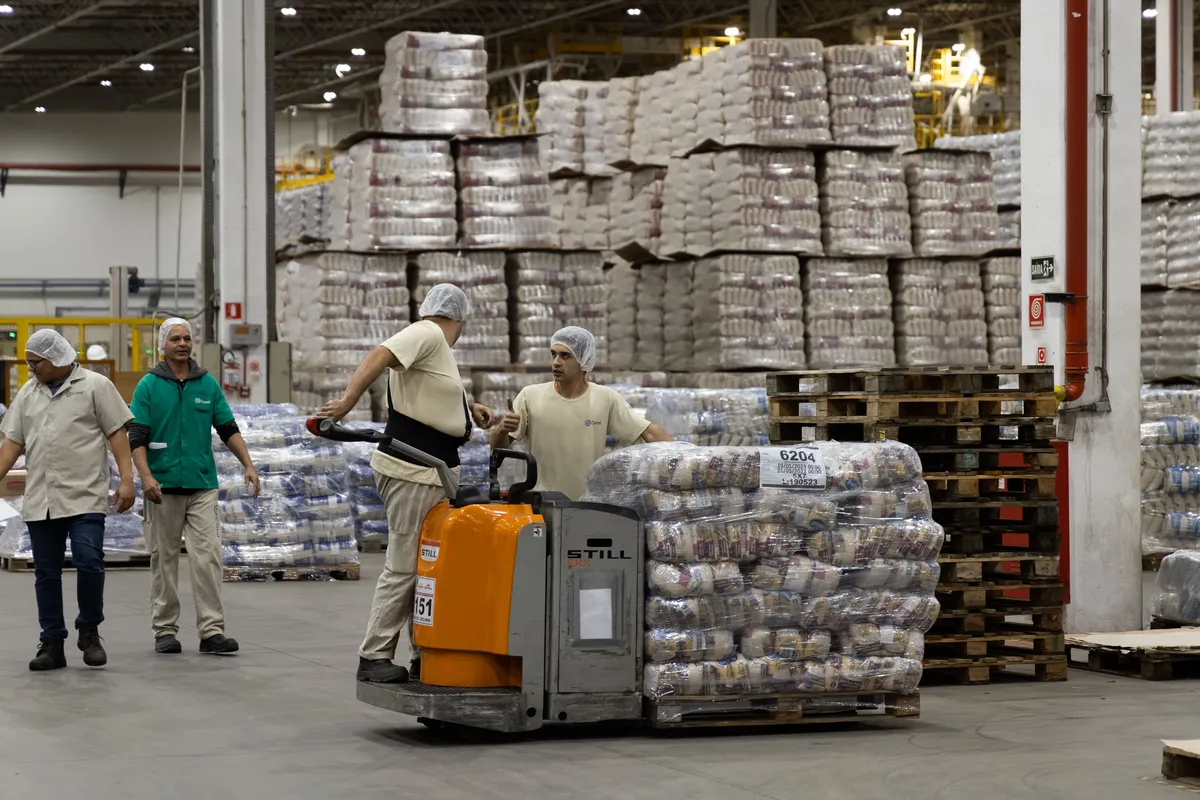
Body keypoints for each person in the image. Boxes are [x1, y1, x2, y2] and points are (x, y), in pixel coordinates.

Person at [317, 284, 495, 684]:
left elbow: (431, 393)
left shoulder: (436, 350)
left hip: (431, 470)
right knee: (404, 565)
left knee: (424, 567)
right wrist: (348, 401)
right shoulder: (428, 333)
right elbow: (380, 354)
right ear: (459, 318)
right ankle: (374, 654)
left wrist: (468, 409)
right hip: (415, 468)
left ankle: (422, 651)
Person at [0, 330, 136, 671]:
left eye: (36, 362)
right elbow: (12, 443)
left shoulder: (94, 386)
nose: (31, 369)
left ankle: (89, 630)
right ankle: (52, 642)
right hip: (42, 498)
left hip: (85, 494)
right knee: (46, 573)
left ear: (57, 358)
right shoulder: (28, 394)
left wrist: (127, 479)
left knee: (89, 561)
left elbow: (117, 432)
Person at [127, 318, 260, 656]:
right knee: (164, 560)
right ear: (163, 345)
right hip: (163, 487)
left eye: (187, 338)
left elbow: (227, 427)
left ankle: (212, 630)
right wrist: (145, 477)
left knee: (207, 558)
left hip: (201, 485)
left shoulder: (207, 385)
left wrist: (248, 464)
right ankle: (165, 630)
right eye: (175, 339)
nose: (182, 344)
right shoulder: (148, 386)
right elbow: (137, 438)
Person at [492, 326, 672, 501]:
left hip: (588, 506)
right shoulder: (530, 396)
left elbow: (647, 431)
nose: (556, 362)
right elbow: (496, 448)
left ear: (583, 360)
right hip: (542, 504)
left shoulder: (605, 398)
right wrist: (502, 429)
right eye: (554, 354)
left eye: (565, 356)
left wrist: (685, 457)